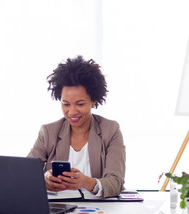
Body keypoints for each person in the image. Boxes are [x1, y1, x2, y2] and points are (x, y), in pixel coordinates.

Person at [28, 56, 126, 198]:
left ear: (93, 100)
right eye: (66, 104)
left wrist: (88, 183)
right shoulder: (48, 132)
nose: (72, 112)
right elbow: (26, 174)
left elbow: (116, 182)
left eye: (80, 104)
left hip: (100, 212)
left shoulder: (110, 130)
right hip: (58, 209)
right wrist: (44, 180)